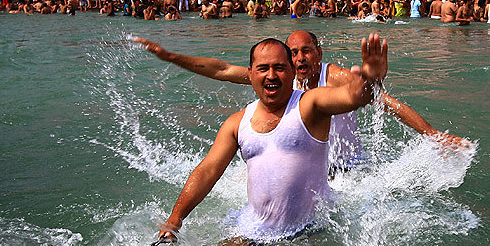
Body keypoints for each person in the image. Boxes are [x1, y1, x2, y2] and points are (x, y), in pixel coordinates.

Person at [155, 35, 388, 246]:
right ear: (250, 73)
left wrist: (369, 81)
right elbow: (209, 170)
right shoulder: (237, 123)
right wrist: (175, 219)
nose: (271, 75)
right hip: (253, 231)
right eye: (263, 68)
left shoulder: (309, 105)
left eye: (279, 68)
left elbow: (352, 96)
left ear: (292, 72)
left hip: (310, 231)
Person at [134, 31, 467, 170]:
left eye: (306, 50)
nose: (299, 58)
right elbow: (221, 70)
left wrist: (435, 136)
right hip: (307, 168)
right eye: (293, 53)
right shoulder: (279, 79)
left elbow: (384, 101)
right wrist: (169, 55)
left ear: (318, 53)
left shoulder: (333, 76)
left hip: (347, 169)